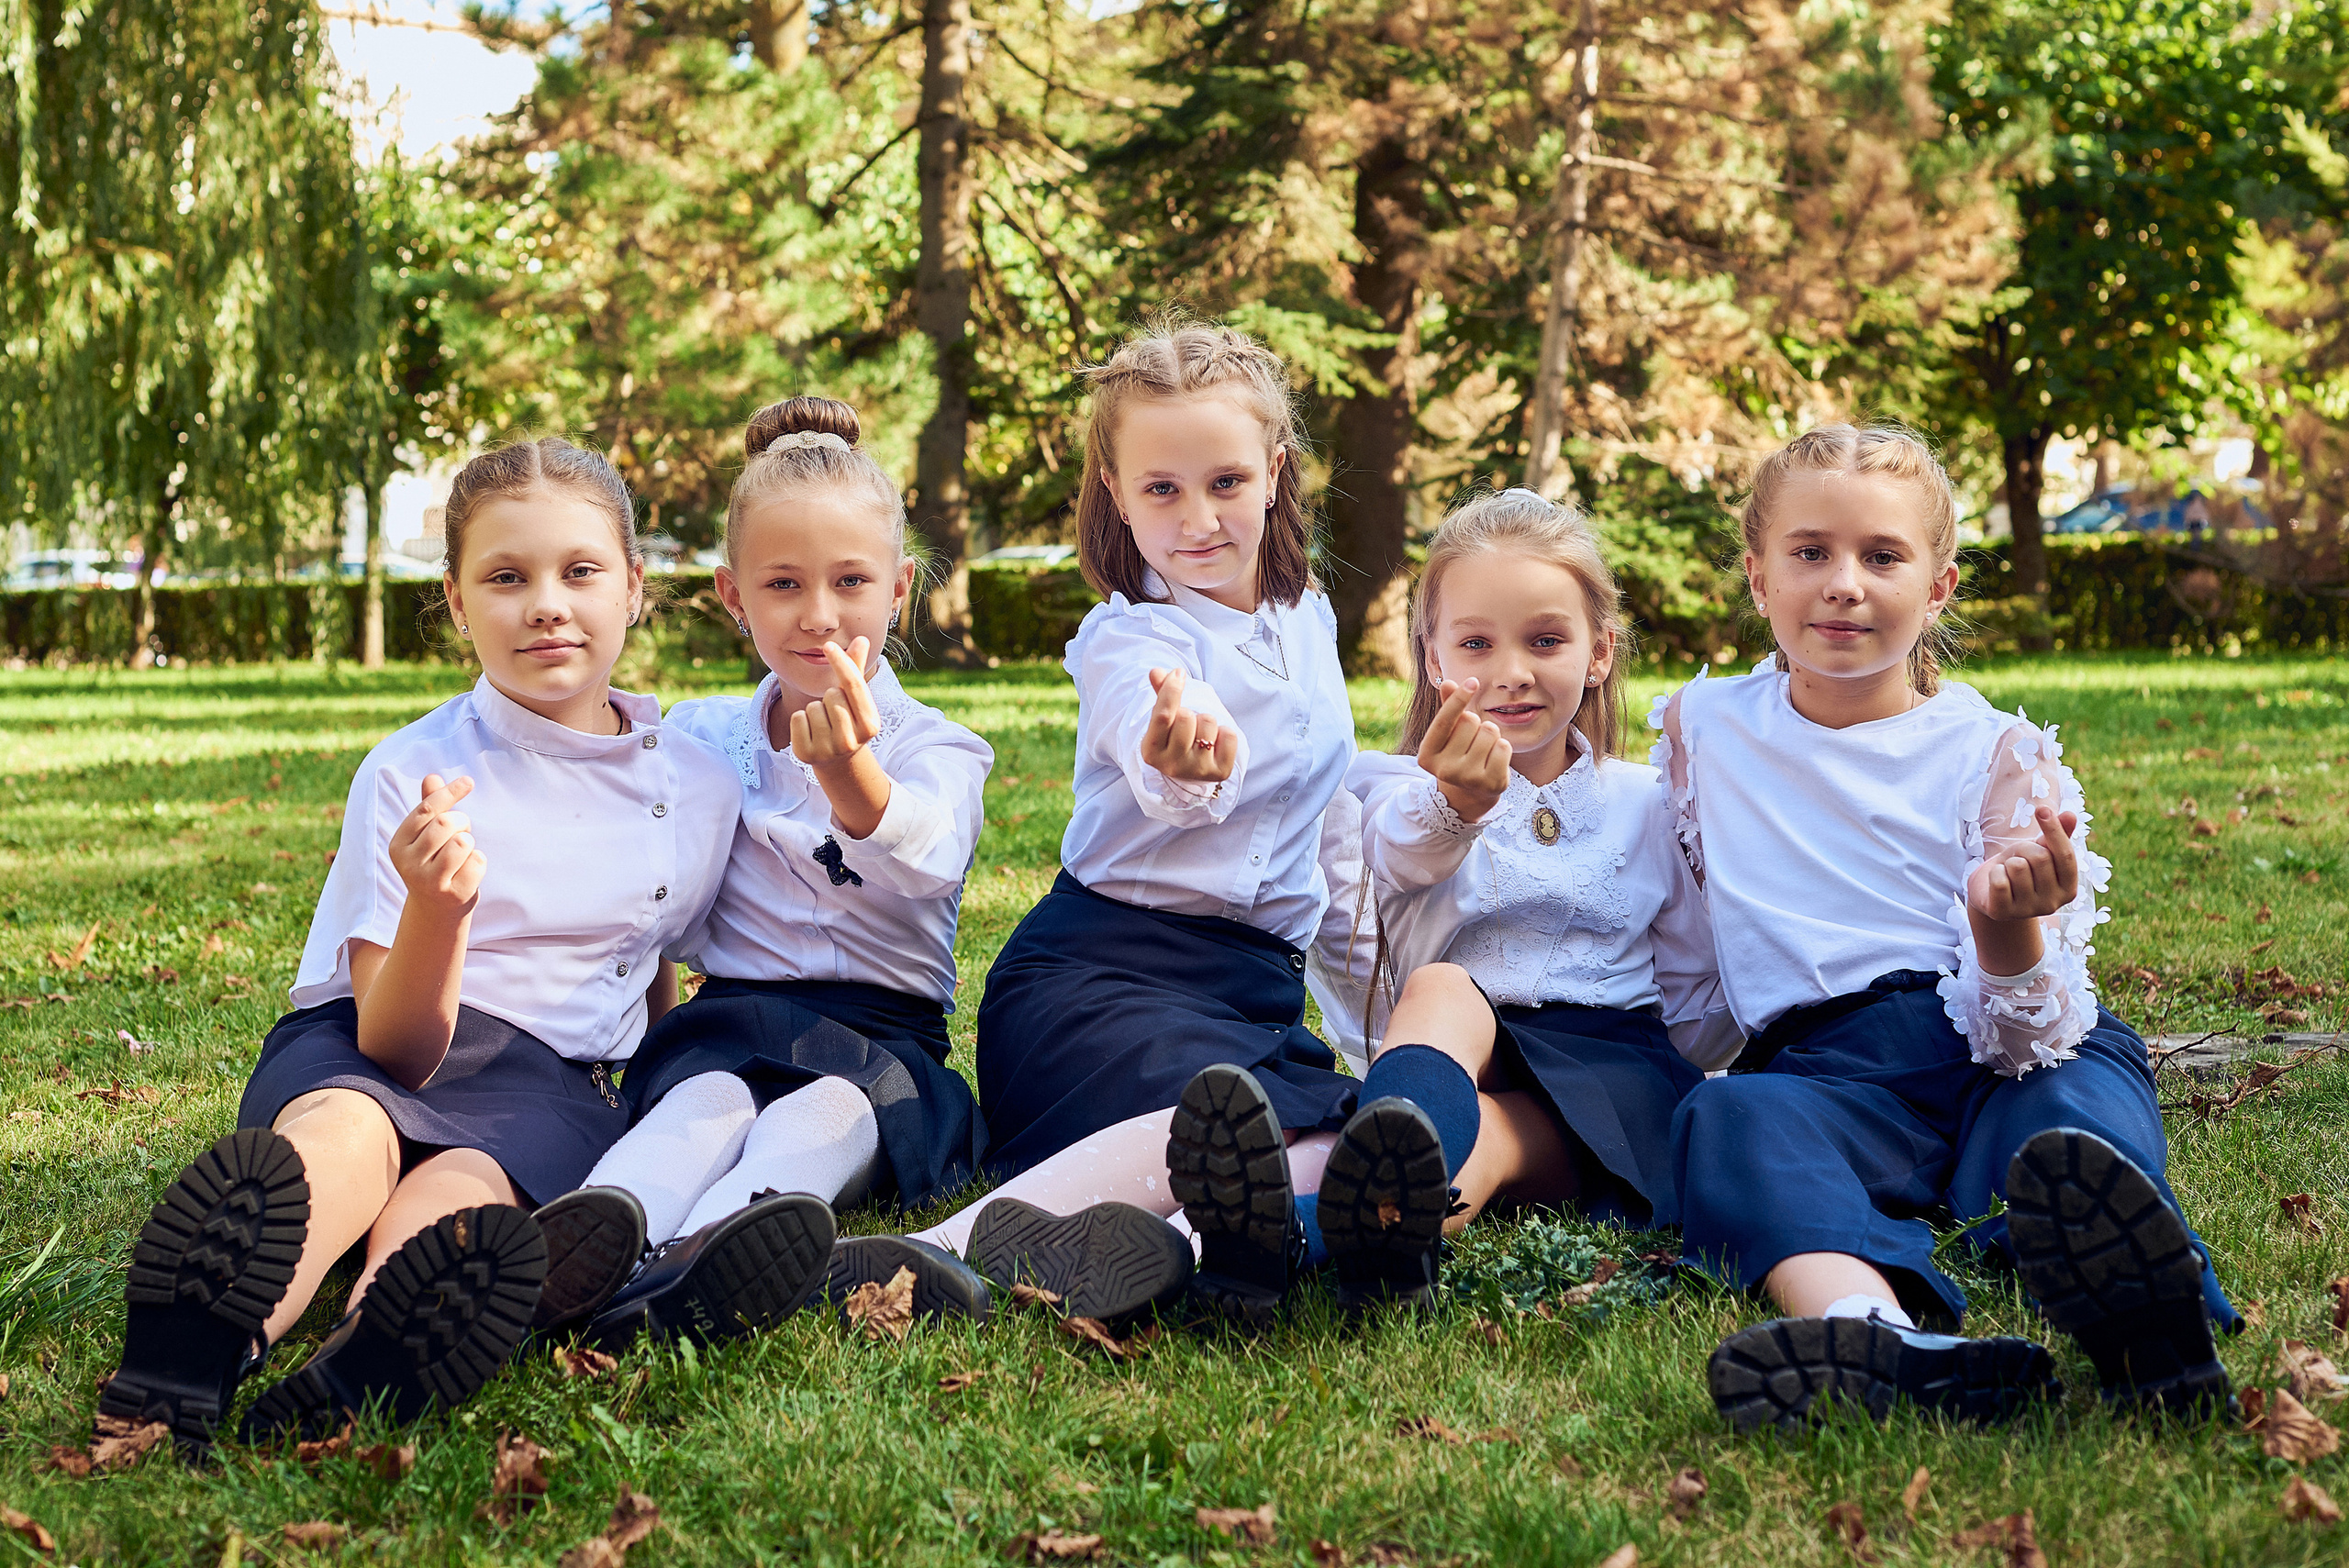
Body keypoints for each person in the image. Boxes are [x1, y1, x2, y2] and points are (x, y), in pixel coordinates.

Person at [103, 438, 740, 1449]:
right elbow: (395, 1045)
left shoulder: (699, 784)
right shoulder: (414, 769)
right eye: (505, 576)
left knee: (462, 1190)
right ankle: (201, 1341)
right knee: (347, 1137)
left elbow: (648, 950)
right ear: (455, 600)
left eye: (579, 570)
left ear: (634, 586)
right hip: (369, 1035)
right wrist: (438, 908)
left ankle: (369, 1351)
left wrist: (663, 1086)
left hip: (550, 1082)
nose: (545, 602)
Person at [1652, 422, 2242, 1434]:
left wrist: (2002, 925)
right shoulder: (1703, 731)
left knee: (2062, 1129)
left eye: (1882, 557)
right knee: (1725, 1120)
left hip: (2002, 1048)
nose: (1844, 582)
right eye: (1810, 552)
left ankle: (2151, 1318)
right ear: (1757, 577)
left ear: (1936, 588)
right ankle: (1878, 1334)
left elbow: (2033, 1027)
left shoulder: (1994, 753)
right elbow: (1695, 948)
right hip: (1828, 1074)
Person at [903, 319, 1359, 1328]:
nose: (1197, 518)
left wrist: (1370, 1024)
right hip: (1098, 980)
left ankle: (1187, 1254)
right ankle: (932, 1255)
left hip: (1250, 996)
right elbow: (1150, 738)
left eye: (1226, 482)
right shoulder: (1127, 637)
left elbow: (1328, 845)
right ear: (1115, 489)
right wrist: (1178, 749)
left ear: (1275, 472)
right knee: (1233, 1120)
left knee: (1336, 1132)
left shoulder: (1309, 619)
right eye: (1161, 488)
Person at [534, 397, 996, 1344]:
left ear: (899, 587)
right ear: (732, 594)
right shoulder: (700, 735)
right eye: (782, 584)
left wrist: (847, 774)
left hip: (878, 1038)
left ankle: (715, 1251)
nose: (819, 615)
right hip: (730, 1020)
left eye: (851, 581)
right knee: (703, 1102)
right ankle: (591, 1243)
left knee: (824, 1109)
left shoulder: (939, 747)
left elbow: (927, 851)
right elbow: (611, 818)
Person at [1328, 488, 1735, 1308]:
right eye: (1476, 642)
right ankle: (1376, 1210)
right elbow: (1403, 855)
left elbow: (1693, 989)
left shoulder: (1649, 802)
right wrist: (1461, 804)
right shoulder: (1405, 791)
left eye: (1546, 640)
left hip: (1610, 1070)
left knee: (1496, 1144)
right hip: (1462, 1056)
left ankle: (1306, 1230)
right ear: (1434, 656)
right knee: (1444, 988)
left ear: (1599, 652)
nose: (1512, 673)